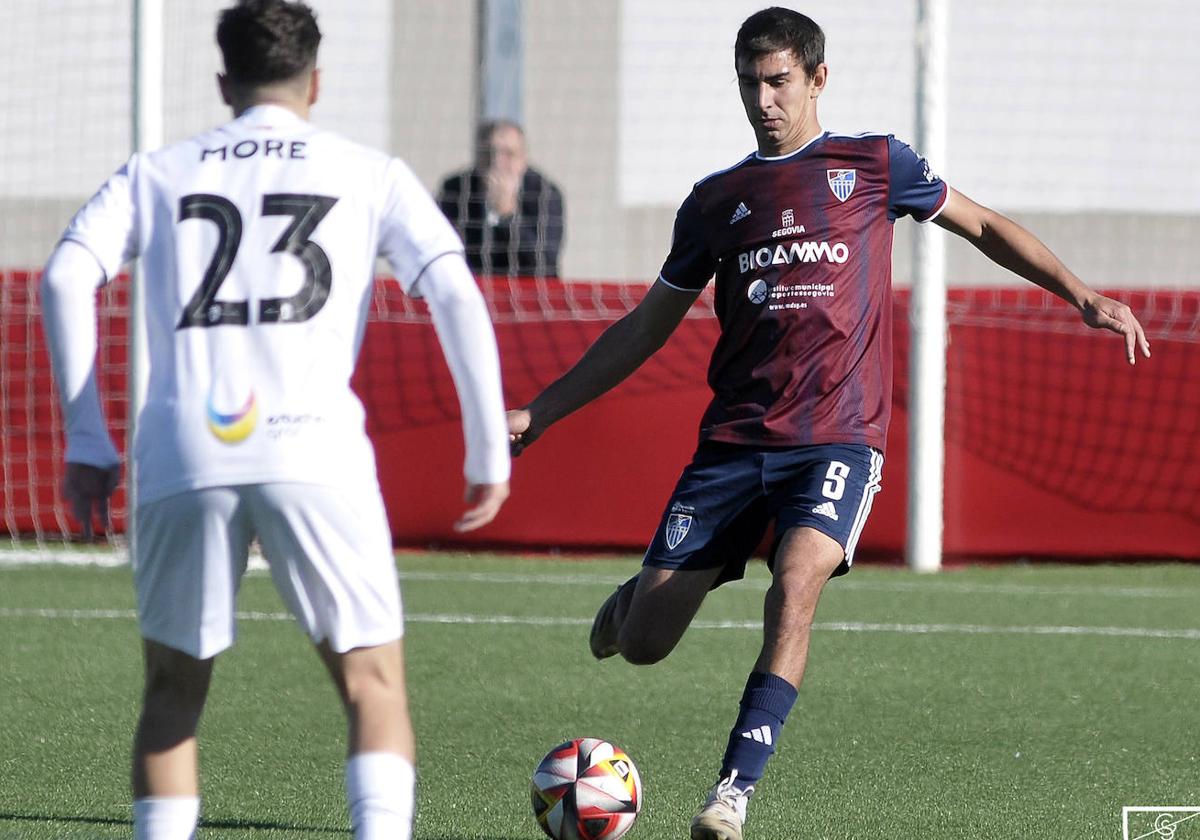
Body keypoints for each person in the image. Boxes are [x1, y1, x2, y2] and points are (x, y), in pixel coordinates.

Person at [507, 8, 1149, 840]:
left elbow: (984, 225)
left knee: (797, 580)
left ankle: (731, 795)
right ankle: (635, 604)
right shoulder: (715, 202)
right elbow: (644, 328)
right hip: (736, 442)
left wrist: (1082, 293)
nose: (763, 101)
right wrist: (543, 411)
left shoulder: (876, 164)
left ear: (817, 78)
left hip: (839, 437)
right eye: (749, 84)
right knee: (644, 644)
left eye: (778, 81)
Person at [39, 2, 511, 838]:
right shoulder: (370, 171)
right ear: (317, 82)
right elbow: (454, 291)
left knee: (174, 691)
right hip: (314, 443)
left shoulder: (158, 172)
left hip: (183, 445)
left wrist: (87, 439)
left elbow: (66, 277)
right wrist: (487, 451)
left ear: (224, 81)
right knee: (372, 684)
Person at [437, 120, 565, 277]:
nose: (497, 162)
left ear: (523, 158)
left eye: (509, 154)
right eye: (489, 153)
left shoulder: (545, 194)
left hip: (526, 291)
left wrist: (507, 214)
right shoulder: (456, 190)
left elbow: (545, 262)